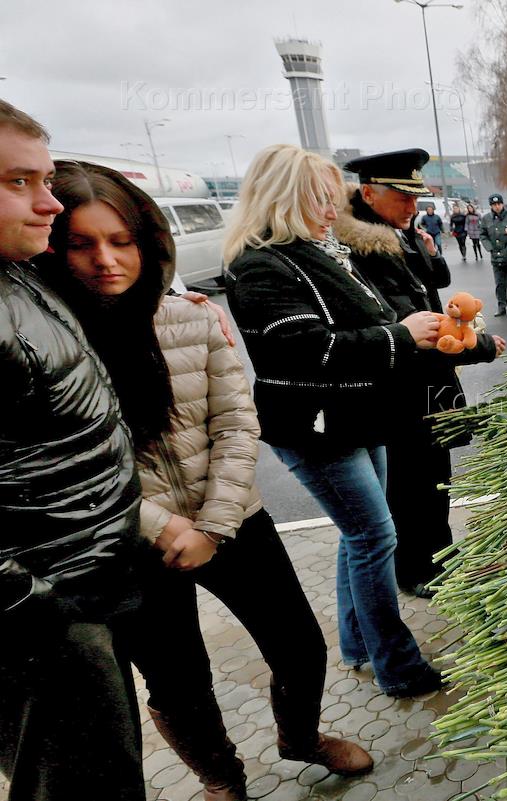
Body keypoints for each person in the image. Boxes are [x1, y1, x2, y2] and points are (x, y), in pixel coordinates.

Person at [37, 160, 373, 800]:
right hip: (130, 542)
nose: (106, 261)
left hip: (233, 517)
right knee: (178, 680)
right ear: (53, 249)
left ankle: (300, 738)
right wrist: (162, 526)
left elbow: (238, 423)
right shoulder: (47, 343)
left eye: (121, 241)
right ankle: (223, 782)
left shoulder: (190, 318)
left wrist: (214, 525)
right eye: (81, 244)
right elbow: (63, 464)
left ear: (147, 242)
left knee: (299, 646)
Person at [223, 144, 444, 699]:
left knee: (361, 536)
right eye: (319, 198)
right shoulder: (261, 265)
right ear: (284, 197)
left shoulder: (313, 252)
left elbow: (361, 318)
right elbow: (308, 350)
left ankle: (359, 645)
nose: (331, 209)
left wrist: (400, 330)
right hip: (316, 427)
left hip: (353, 417)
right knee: (374, 537)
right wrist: (400, 335)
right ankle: (397, 666)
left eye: (331, 198)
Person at [0, 100, 145, 799]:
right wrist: (41, 606)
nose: (49, 204)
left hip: (81, 591)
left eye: (46, 180)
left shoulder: (17, 273)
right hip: (44, 618)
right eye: (18, 182)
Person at [337, 149, 506, 597]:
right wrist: (480, 346)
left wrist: (422, 245)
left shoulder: (395, 233)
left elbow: (433, 284)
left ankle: (438, 554)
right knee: (412, 485)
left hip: (425, 383)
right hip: (401, 389)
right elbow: (413, 325)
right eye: (403, 198)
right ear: (369, 193)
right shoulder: (364, 249)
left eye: (416, 197)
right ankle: (418, 570)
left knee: (433, 479)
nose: (414, 206)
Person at [480, 192, 507, 316]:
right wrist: (490, 248)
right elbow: (483, 235)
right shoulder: (486, 219)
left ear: (502, 204)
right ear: (491, 206)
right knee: (499, 284)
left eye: (499, 204)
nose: (497, 206)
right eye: (494, 205)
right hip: (496, 257)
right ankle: (501, 306)